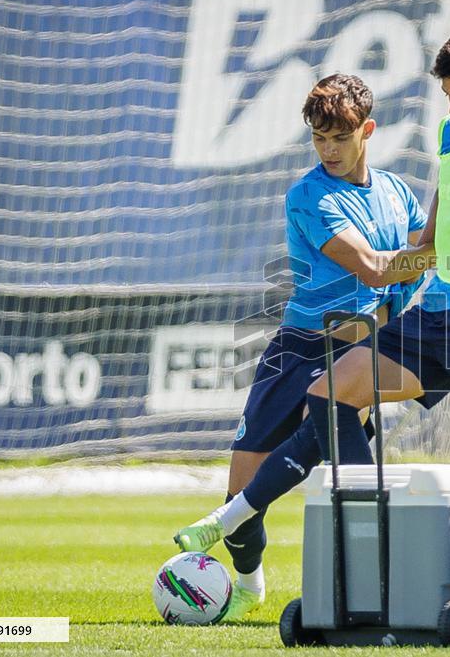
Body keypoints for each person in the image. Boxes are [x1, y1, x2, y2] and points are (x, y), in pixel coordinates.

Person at [173, 23, 450, 580]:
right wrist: (430, 246)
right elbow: (446, 194)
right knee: (328, 397)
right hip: (417, 317)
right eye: (448, 96)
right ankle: (361, 546)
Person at [173, 73, 432, 622]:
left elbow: (416, 256)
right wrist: (434, 257)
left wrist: (418, 271)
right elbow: (376, 266)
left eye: (339, 137)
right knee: (240, 493)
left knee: (350, 480)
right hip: (298, 348)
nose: (328, 150)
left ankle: (372, 591)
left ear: (368, 130)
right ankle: (248, 586)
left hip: (358, 360)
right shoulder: (308, 195)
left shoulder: (396, 192)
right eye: (319, 139)